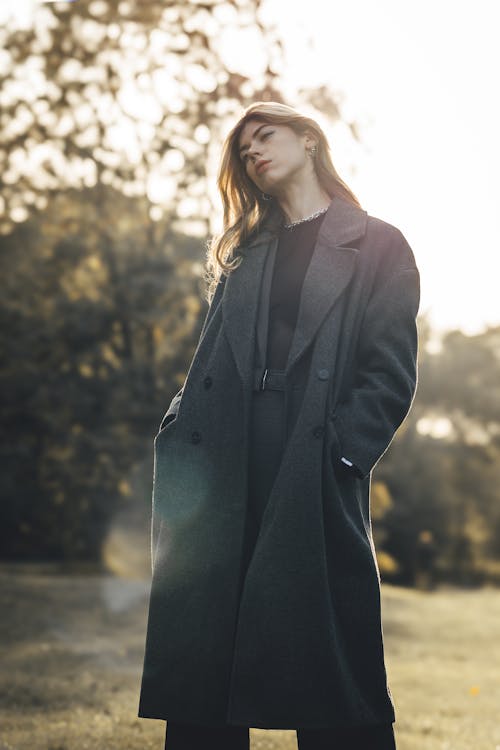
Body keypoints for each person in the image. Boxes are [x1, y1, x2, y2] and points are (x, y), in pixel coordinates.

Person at [138, 101, 420, 750]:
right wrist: (179, 424)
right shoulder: (248, 249)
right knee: (208, 640)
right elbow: (211, 356)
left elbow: (389, 370)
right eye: (244, 150)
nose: (253, 153)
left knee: (327, 643)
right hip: (225, 459)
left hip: (311, 454)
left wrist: (346, 453)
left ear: (309, 139)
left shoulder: (377, 242)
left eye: (265, 136)